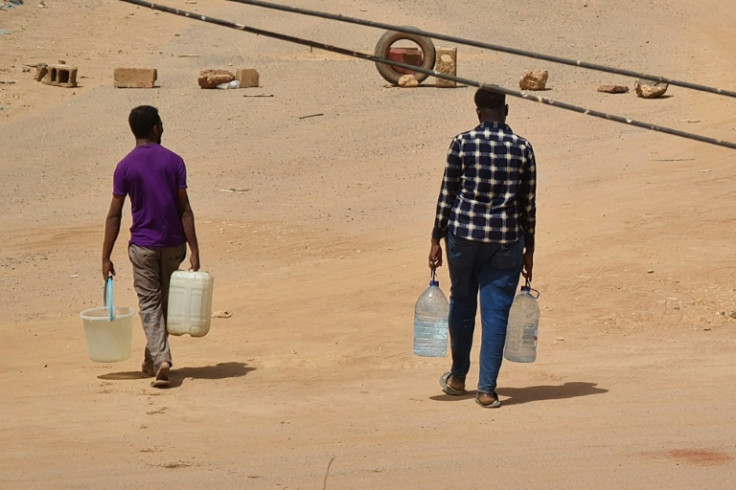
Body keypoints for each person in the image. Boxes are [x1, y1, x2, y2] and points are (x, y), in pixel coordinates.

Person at [428, 87, 536, 408]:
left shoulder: (462, 143)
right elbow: (528, 205)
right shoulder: (523, 148)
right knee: (497, 310)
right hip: (506, 240)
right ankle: (487, 389)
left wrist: (436, 238)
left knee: (462, 301)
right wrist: (530, 248)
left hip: (462, 235)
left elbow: (447, 194)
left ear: (478, 113)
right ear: (506, 110)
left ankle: (459, 376)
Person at [102, 105, 200, 388]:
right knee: (165, 304)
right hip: (173, 245)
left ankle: (159, 358)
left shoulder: (124, 166)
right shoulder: (174, 162)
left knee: (149, 304)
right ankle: (155, 359)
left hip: (142, 247)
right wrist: (194, 249)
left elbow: (114, 214)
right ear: (156, 128)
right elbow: (185, 210)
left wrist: (105, 256)